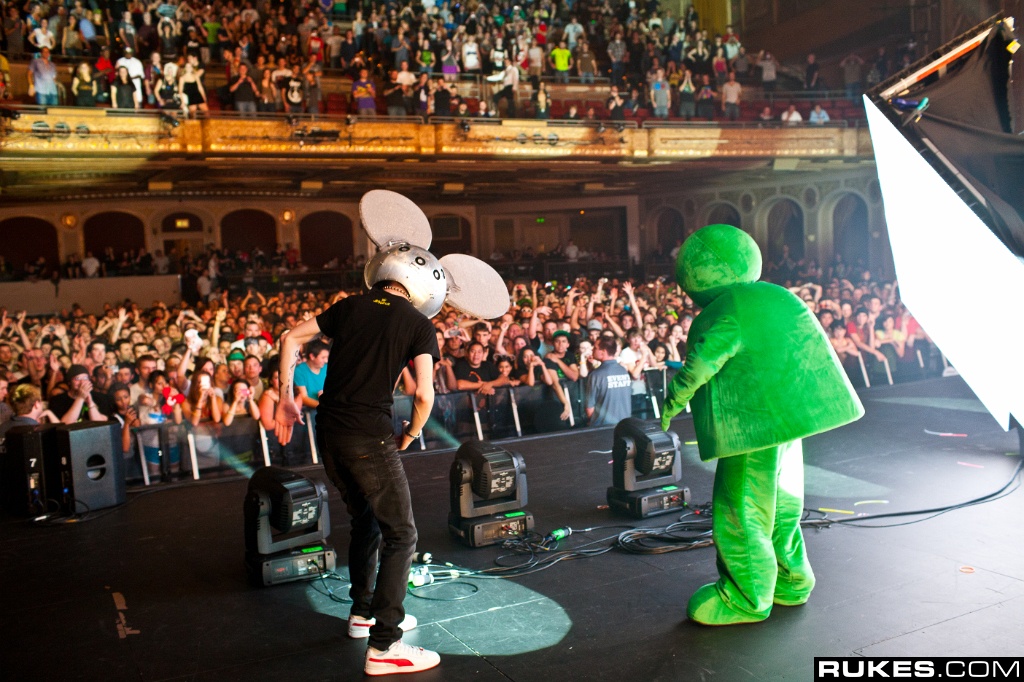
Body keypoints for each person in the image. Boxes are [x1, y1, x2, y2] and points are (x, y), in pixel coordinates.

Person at [660, 224, 863, 626]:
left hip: (750, 426)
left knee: (742, 508)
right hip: (789, 423)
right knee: (784, 506)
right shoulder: (778, 295)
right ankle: (792, 580)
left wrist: (671, 403)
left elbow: (703, 362)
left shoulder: (729, 308)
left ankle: (746, 597)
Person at [275, 275, 440, 676]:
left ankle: (363, 614)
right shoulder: (417, 322)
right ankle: (385, 646)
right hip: (369, 437)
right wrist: (411, 434)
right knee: (402, 534)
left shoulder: (349, 306)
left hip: (330, 435)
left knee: (367, 520)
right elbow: (423, 394)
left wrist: (284, 396)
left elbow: (289, 338)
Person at [585, 336, 632, 426]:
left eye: (595, 348)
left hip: (603, 427)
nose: (592, 349)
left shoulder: (596, 375)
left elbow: (589, 409)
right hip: (624, 425)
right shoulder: (623, 370)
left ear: (603, 351)